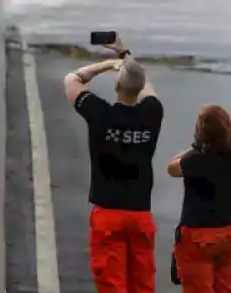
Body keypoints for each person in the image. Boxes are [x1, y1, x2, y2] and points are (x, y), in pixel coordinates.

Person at [64, 36, 164, 293]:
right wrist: (126, 56)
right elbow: (143, 82)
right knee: (143, 284)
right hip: (140, 213)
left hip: (108, 214)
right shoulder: (153, 113)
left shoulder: (100, 113)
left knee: (112, 285)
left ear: (117, 85)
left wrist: (107, 64)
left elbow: (72, 79)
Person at [166, 105, 231, 293]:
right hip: (226, 235)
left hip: (198, 238)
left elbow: (172, 168)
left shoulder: (196, 159)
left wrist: (195, 146)